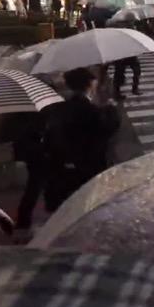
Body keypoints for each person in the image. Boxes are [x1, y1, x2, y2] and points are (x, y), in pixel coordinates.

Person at [43, 68, 119, 212]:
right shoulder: (86, 108)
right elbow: (107, 128)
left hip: (70, 160)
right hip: (88, 160)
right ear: (90, 84)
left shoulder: (65, 106)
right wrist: (111, 110)